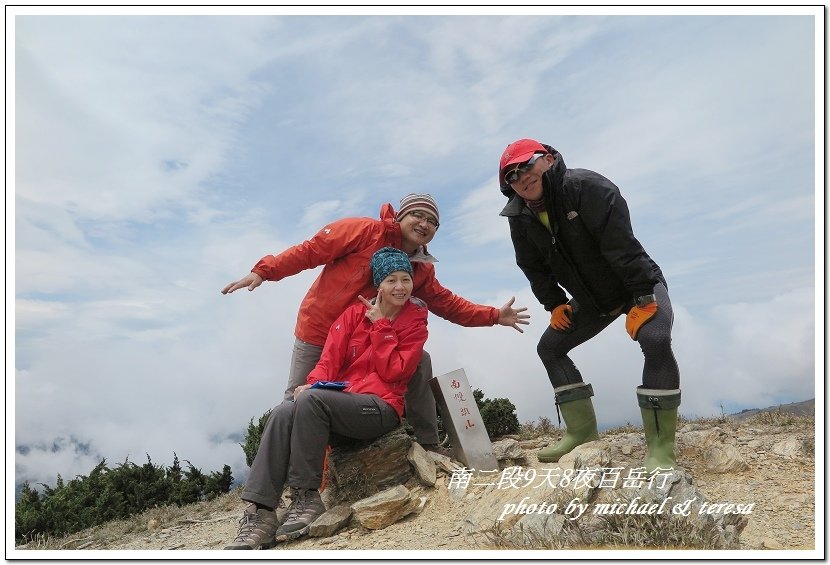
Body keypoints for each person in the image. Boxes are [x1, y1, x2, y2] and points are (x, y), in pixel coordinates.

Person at [222, 193, 530, 451]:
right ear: (401, 216)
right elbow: (310, 251)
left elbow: (447, 303)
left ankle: (428, 445)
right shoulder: (363, 231)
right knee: (297, 401)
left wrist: (493, 315)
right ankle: (296, 482)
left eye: (432, 221)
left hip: (369, 341)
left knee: (419, 360)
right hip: (319, 333)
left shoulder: (420, 270)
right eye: (417, 215)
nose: (424, 224)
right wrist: (264, 271)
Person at [225, 247, 429, 550]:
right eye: (390, 280)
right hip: (341, 406)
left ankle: (306, 497)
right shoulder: (351, 316)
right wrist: (310, 385)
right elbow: (327, 362)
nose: (400, 287)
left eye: (405, 279)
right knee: (285, 411)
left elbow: (395, 372)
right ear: (378, 284)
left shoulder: (415, 320)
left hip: (381, 408)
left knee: (312, 401)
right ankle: (260, 512)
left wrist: (381, 327)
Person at [498, 139, 681, 473]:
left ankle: (660, 448)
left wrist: (642, 297)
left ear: (548, 160)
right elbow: (533, 267)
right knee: (550, 348)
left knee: (655, 340)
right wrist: (554, 304)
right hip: (592, 299)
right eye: (511, 175)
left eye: (527, 165)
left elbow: (621, 244)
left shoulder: (587, 187)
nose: (521, 176)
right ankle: (581, 433)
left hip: (636, 284)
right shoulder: (519, 217)